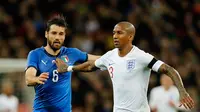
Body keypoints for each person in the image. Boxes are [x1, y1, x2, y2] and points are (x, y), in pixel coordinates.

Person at [54, 21, 195, 112]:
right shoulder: (110, 56)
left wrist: (182, 91)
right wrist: (68, 68)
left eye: (119, 32)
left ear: (130, 36)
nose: (115, 36)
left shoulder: (141, 56)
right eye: (114, 32)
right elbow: (91, 66)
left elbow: (169, 69)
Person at [25, 14, 99, 112]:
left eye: (61, 34)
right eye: (54, 33)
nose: (57, 37)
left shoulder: (71, 53)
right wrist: (36, 79)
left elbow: (97, 58)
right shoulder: (36, 54)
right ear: (46, 34)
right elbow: (28, 78)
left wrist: (117, 56)